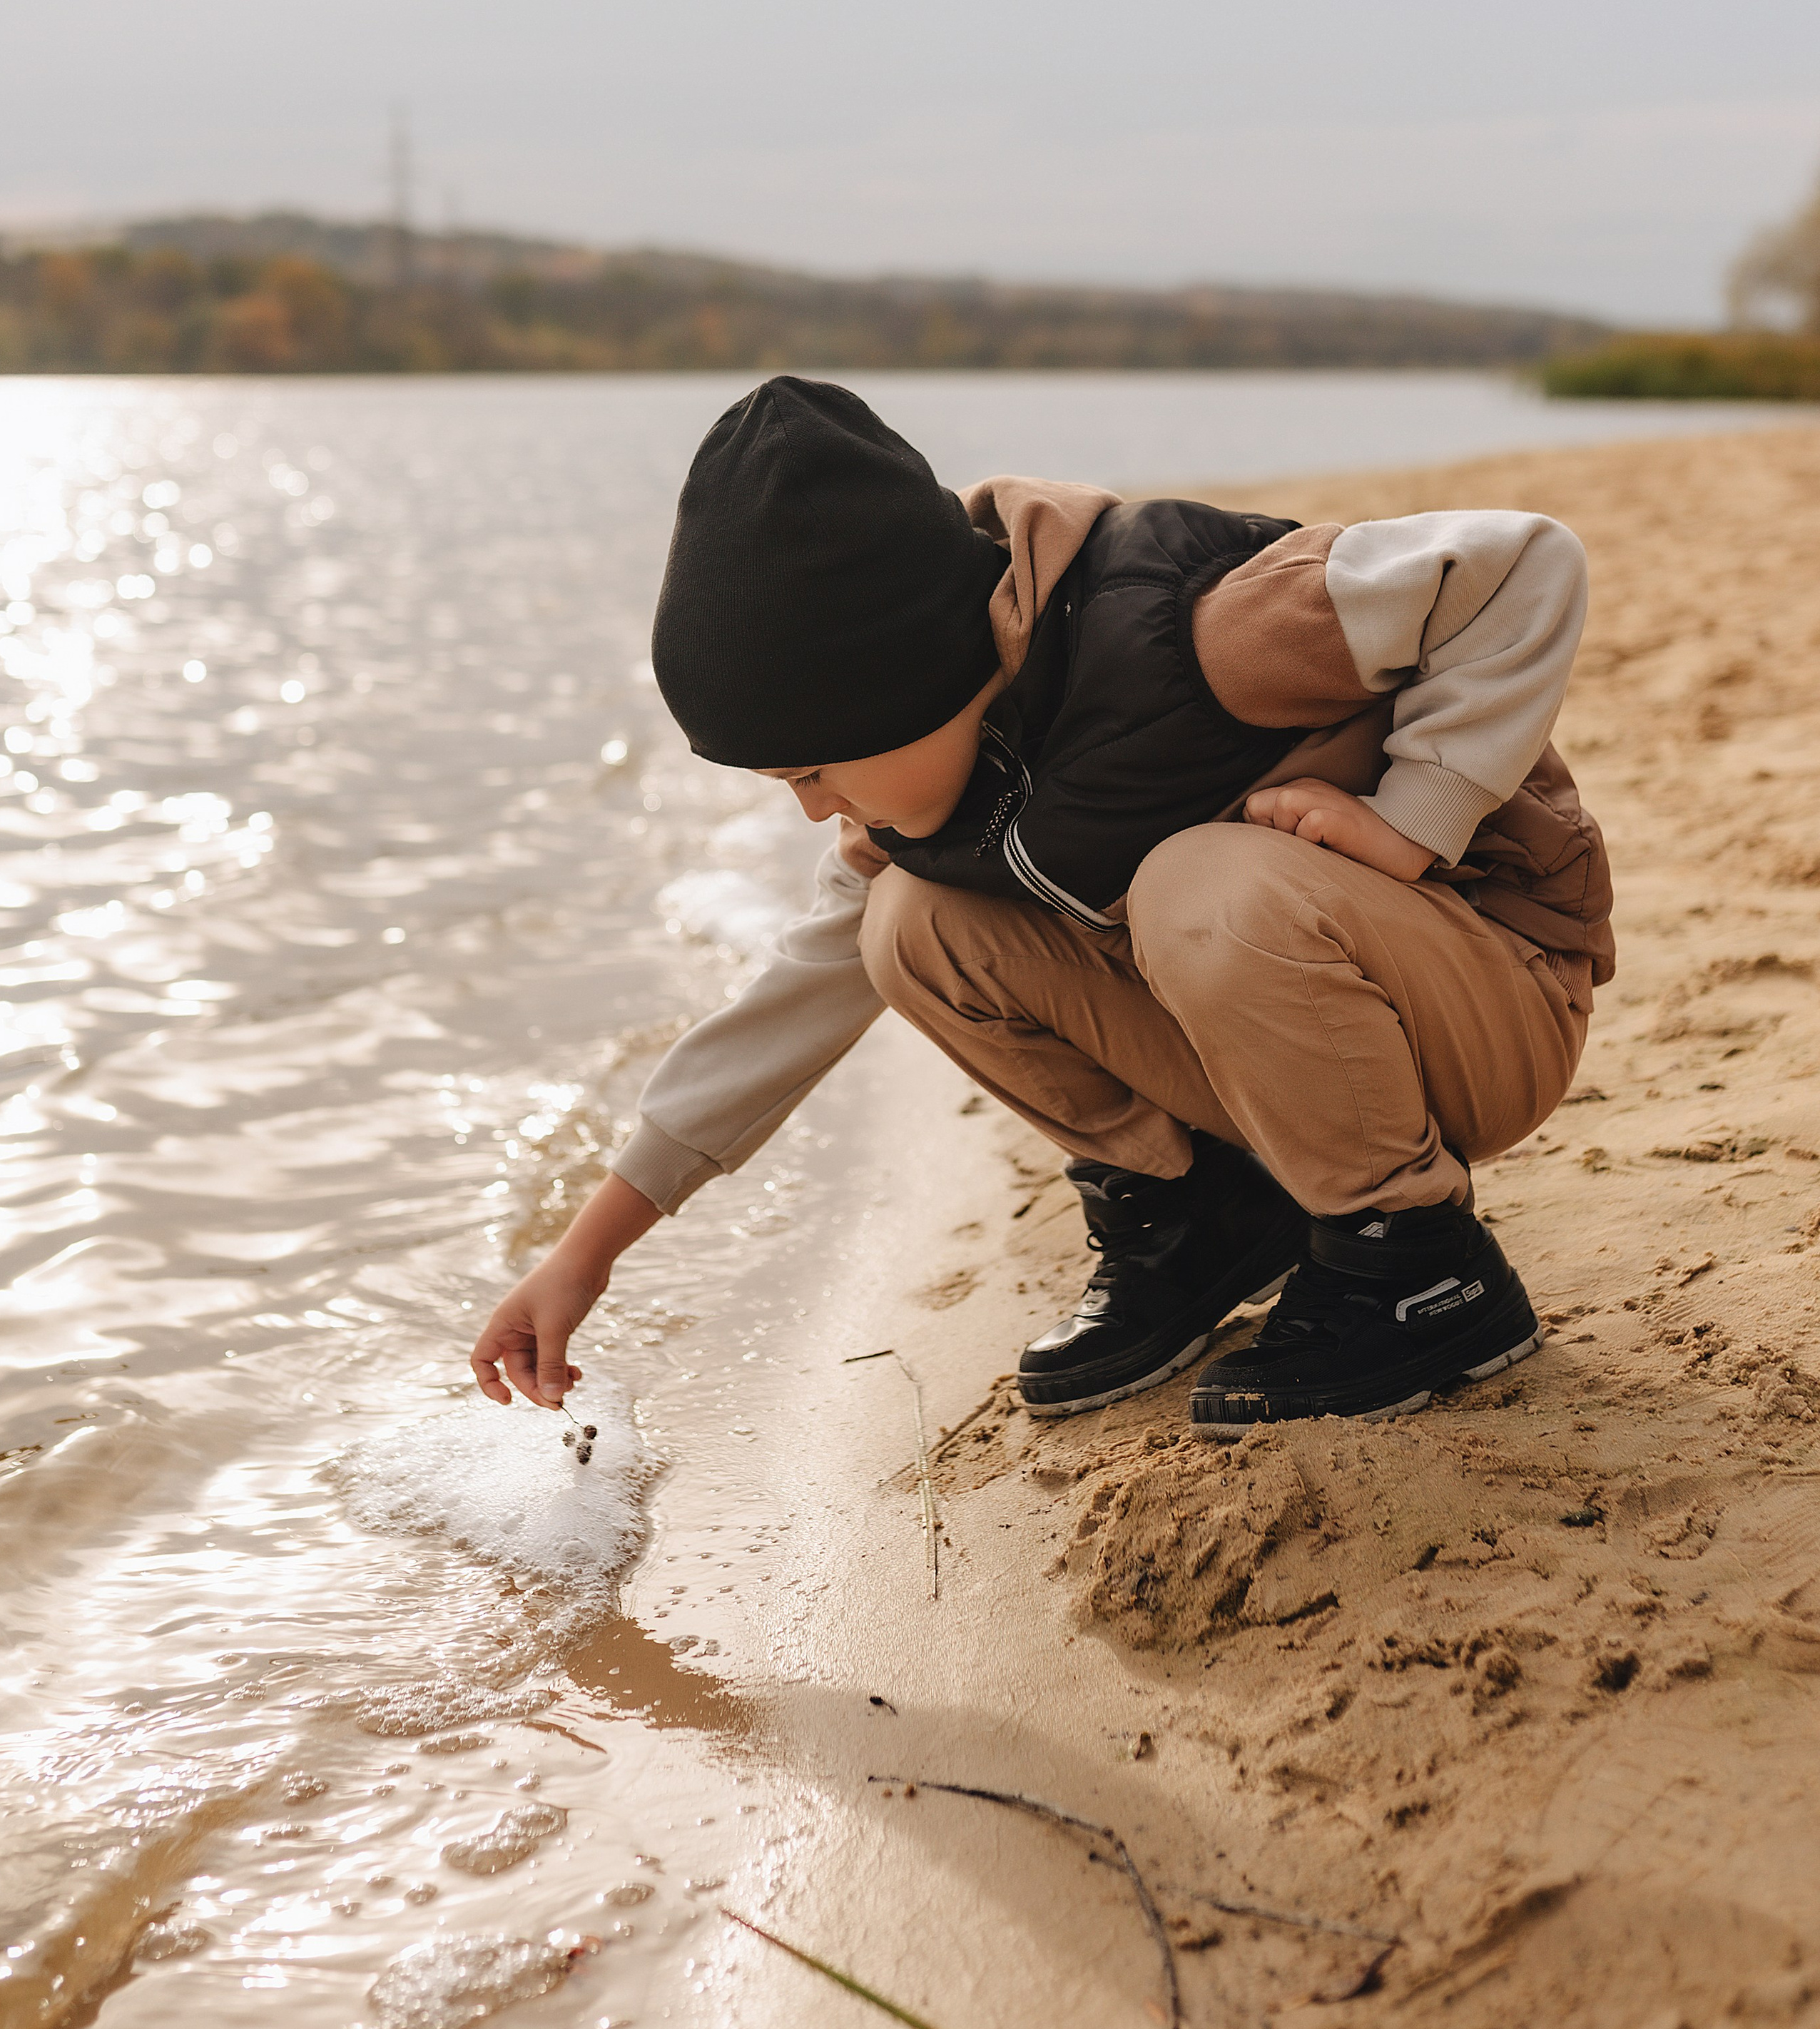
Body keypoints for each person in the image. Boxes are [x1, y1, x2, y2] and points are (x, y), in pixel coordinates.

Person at [471, 377, 1612, 1433]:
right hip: (1305, 1051)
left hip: (1491, 1001)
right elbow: (788, 1005)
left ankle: (1418, 1265)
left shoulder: (1206, 630)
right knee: (908, 928)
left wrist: (1418, 816)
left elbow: (1522, 563)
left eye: (814, 770)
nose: (817, 812)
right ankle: (1204, 1214)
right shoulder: (920, 793)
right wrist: (589, 1251)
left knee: (1195, 883)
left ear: (914, 681)